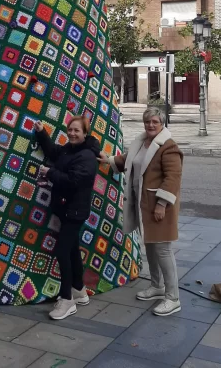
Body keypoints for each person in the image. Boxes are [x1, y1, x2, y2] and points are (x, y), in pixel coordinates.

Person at [98, 106, 183, 317]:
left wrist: (162, 205)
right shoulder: (142, 142)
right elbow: (129, 160)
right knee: (151, 248)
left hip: (159, 208)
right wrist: (109, 160)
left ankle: (173, 298)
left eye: (155, 122)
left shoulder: (168, 147)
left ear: (162, 123)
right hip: (143, 206)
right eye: (148, 122)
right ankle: (157, 286)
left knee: (163, 250)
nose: (151, 125)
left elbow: (173, 178)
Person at [34, 116, 99, 320]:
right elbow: (55, 153)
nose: (72, 133)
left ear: (85, 133)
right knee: (71, 250)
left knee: (62, 251)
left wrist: (50, 172)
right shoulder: (69, 149)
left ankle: (66, 299)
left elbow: (74, 181)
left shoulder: (87, 155)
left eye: (76, 130)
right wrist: (42, 133)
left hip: (75, 211)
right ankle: (79, 290)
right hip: (66, 209)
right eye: (70, 129)